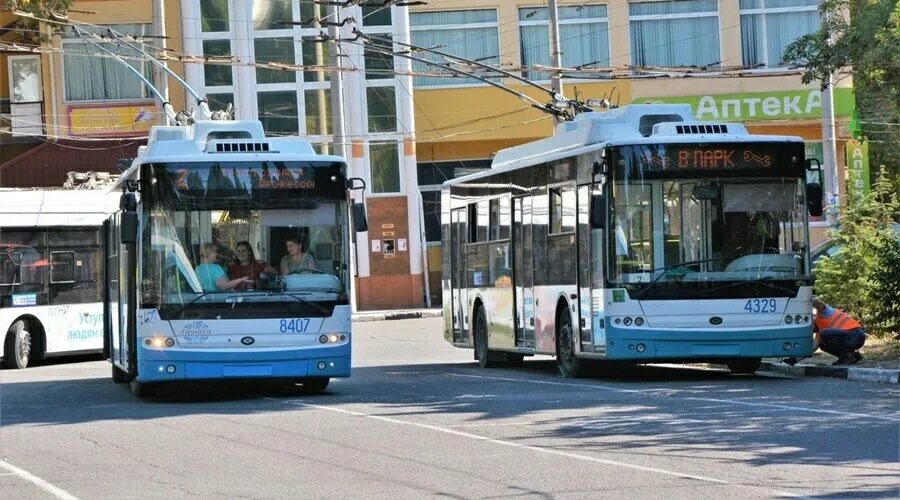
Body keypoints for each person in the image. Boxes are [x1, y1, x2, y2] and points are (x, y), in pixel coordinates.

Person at [785, 297, 866, 366]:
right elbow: (811, 349)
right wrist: (794, 360)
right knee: (823, 345)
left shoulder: (823, 313)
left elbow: (819, 303)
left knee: (824, 333)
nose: (810, 330)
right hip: (851, 339)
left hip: (856, 334)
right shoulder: (819, 332)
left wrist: (805, 300)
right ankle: (852, 356)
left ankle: (846, 357)